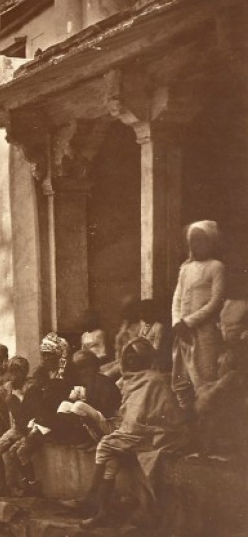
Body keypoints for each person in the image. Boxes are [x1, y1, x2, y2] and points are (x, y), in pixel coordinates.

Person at [78, 338, 187, 528]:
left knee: (105, 445)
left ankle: (91, 498)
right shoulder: (128, 380)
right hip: (133, 432)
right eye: (127, 356)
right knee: (111, 460)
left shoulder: (156, 379)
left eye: (135, 356)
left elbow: (165, 413)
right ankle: (103, 512)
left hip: (154, 434)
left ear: (145, 358)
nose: (130, 360)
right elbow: (128, 413)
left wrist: (139, 426)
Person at [8, 333, 73, 497]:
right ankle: (26, 483)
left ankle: (32, 485)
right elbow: (35, 396)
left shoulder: (65, 373)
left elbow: (57, 399)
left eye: (48, 355)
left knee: (22, 451)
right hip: (40, 419)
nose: (44, 359)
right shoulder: (42, 373)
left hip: (55, 419)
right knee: (13, 451)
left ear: (58, 355)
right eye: (43, 355)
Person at [171, 220, 226, 411]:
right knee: (182, 374)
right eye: (193, 241)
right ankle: (188, 420)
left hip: (204, 331)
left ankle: (207, 420)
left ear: (211, 242)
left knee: (204, 375)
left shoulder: (216, 267)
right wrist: (177, 322)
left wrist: (189, 321)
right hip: (183, 331)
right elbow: (177, 296)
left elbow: (215, 302)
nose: (196, 246)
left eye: (201, 241)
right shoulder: (185, 268)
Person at [0, 356, 31, 497]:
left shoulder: (28, 386)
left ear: (24, 373)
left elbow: (26, 412)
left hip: (28, 428)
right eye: (11, 372)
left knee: (16, 453)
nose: (14, 376)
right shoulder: (9, 386)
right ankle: (2, 486)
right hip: (14, 428)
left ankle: (26, 486)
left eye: (18, 372)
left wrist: (12, 399)